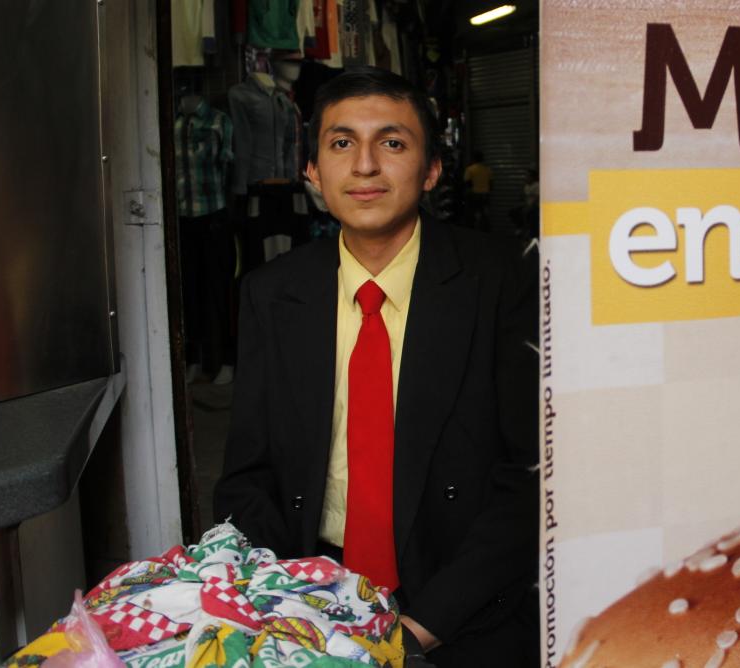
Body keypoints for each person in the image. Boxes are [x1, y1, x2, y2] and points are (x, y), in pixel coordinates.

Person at [214, 66, 538, 667]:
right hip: (312, 596)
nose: (364, 166)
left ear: (432, 169)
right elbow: (247, 476)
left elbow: (531, 479)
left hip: (459, 602)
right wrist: (288, 602)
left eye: (392, 143)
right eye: (341, 144)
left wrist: (419, 630)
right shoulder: (271, 293)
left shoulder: (501, 280)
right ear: (312, 170)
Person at [463, 150, 492, 231]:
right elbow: (491, 184)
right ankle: (486, 231)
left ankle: (476, 231)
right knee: (485, 214)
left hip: (474, 195)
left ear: (474, 159)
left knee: (475, 214)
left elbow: (467, 183)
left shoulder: (470, 169)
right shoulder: (487, 169)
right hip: (485, 195)